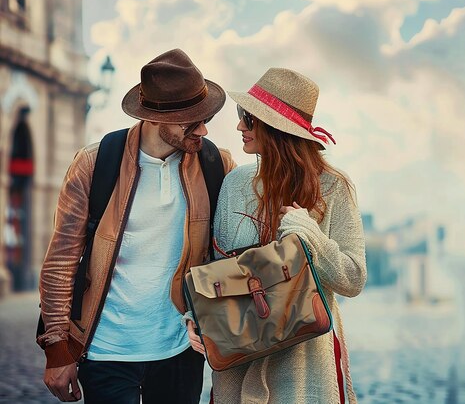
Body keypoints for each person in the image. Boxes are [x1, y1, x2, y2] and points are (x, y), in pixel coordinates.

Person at [37, 49, 236, 403]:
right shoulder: (94, 163)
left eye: (206, 118)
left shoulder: (215, 165)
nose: (204, 130)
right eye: (193, 121)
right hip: (106, 351)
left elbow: (230, 254)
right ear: (159, 118)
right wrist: (56, 348)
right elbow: (61, 261)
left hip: (181, 352)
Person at [186, 68, 367, 403]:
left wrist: (309, 233)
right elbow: (218, 269)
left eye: (249, 119)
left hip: (304, 369)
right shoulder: (235, 183)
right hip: (238, 360)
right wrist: (195, 317)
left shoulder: (334, 187)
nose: (240, 126)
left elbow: (353, 278)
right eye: (243, 116)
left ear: (277, 129)